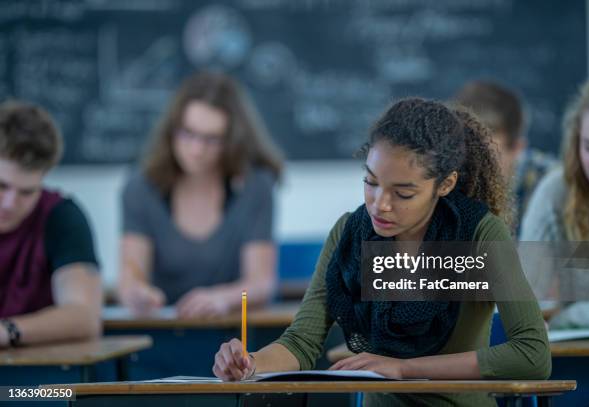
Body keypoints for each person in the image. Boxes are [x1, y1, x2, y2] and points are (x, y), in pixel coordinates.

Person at [212, 98, 551, 406]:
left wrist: (405, 369)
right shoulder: (349, 234)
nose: (380, 205)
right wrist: (250, 362)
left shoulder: (478, 233)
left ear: (445, 184)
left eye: (403, 194)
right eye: (371, 183)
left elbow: (532, 354)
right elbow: (302, 343)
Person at [118, 72, 283, 318]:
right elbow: (131, 277)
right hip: (160, 330)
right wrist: (136, 294)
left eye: (212, 139)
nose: (196, 149)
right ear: (171, 129)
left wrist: (223, 298)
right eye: (188, 133)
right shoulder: (140, 187)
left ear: (232, 140)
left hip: (233, 332)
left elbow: (261, 284)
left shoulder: (255, 187)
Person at [0, 101, 102, 348]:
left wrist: (7, 331)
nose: (10, 204)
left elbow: (84, 317)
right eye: (1, 186)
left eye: (27, 192)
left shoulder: (61, 217)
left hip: (35, 381)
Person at [520, 74, 589, 329]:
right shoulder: (555, 193)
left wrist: (570, 316)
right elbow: (522, 305)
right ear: (576, 143)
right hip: (579, 359)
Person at [454, 80, 557, 234]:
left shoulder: (554, 186)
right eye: (463, 151)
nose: (471, 166)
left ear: (518, 148)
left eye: (486, 156)